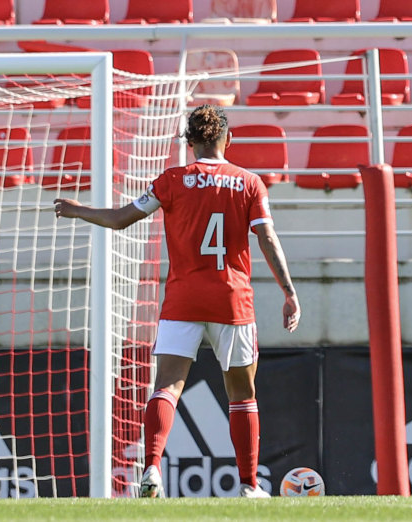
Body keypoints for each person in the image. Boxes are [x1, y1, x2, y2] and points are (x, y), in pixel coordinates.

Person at [54, 105, 300, 499]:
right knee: (242, 394)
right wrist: (288, 291)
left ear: (189, 144)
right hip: (232, 301)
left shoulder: (171, 180)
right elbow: (267, 238)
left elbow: (120, 219)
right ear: (228, 140)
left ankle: (151, 467)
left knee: (167, 386)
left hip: (183, 299)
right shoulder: (250, 183)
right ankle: (250, 486)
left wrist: (76, 210)